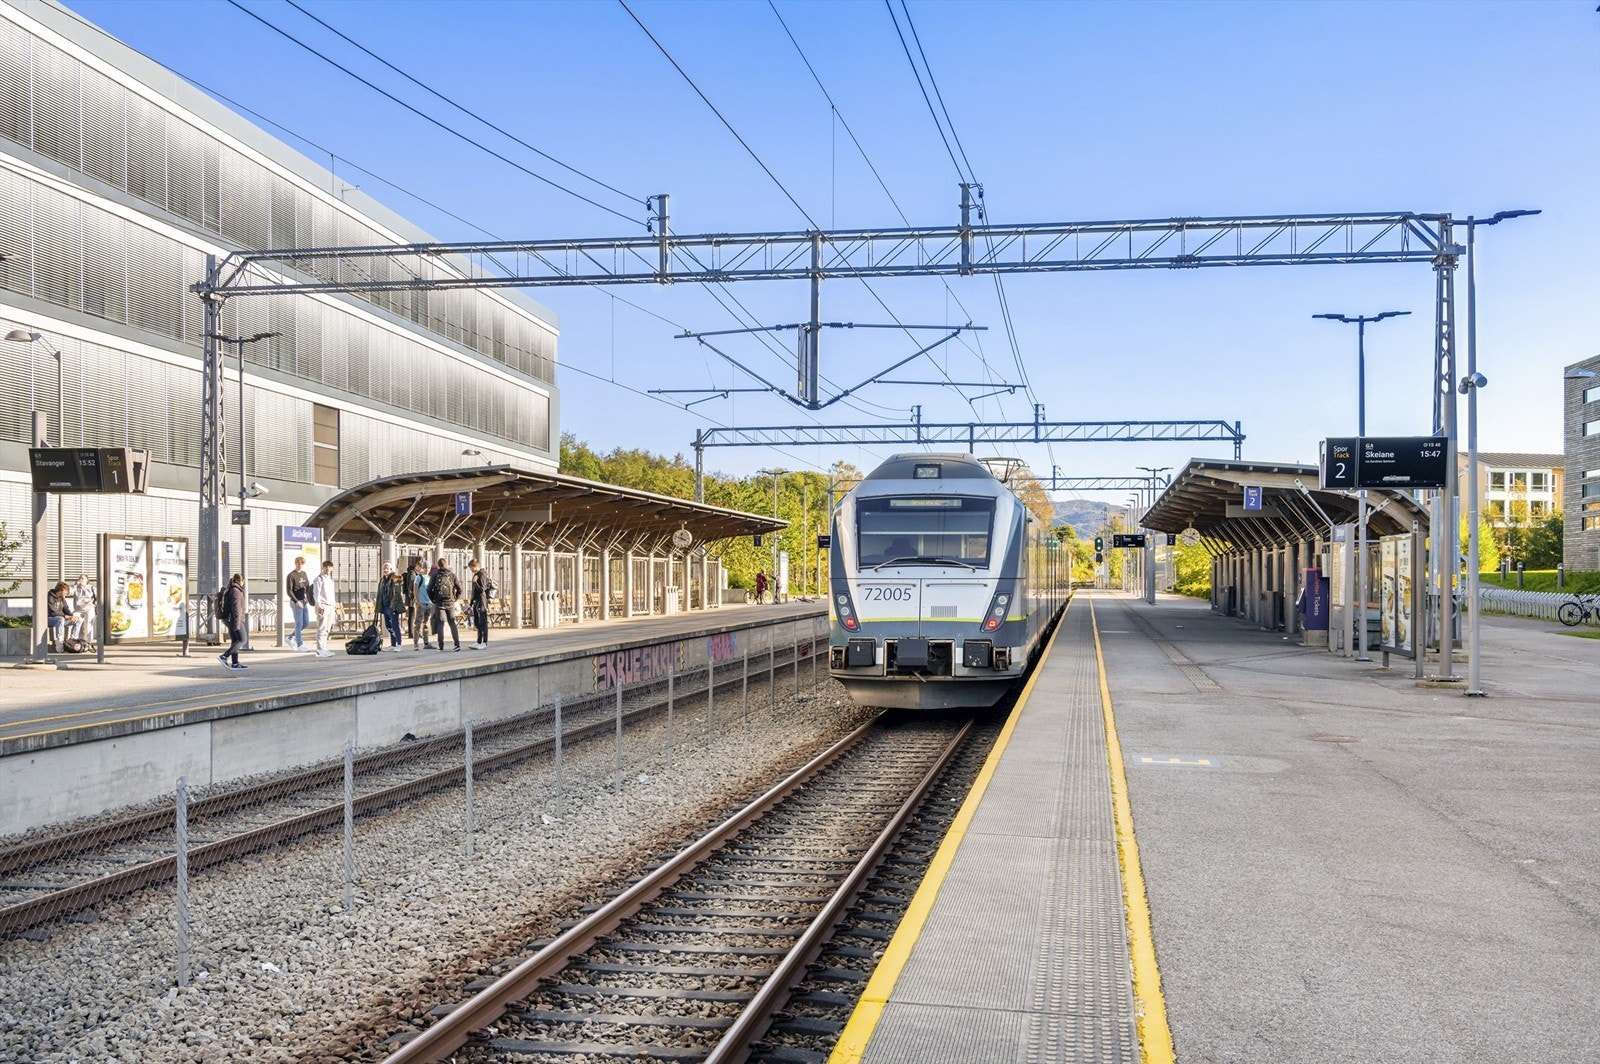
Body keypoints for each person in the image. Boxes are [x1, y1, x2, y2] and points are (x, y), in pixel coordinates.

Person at [428, 558, 462, 651]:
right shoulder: (452, 575)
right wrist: (455, 599)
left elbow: (429, 589)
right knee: (452, 622)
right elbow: (459, 589)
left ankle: (441, 646)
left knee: (440, 623)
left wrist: (433, 599)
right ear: (446, 565)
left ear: (438, 566)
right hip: (450, 602)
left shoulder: (435, 575)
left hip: (439, 602)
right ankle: (457, 644)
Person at [217, 574, 249, 670]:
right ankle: (224, 656)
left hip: (232, 619)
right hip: (236, 619)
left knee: (235, 641)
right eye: (243, 581)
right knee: (243, 640)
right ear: (241, 581)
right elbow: (236, 608)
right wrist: (237, 622)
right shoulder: (236, 591)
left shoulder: (232, 589)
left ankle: (235, 663)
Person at [311, 559, 338, 659]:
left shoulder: (330, 580)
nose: (327, 568)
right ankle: (319, 649)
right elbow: (316, 593)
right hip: (323, 605)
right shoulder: (319, 579)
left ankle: (324, 648)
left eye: (329, 566)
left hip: (330, 605)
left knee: (327, 628)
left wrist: (334, 606)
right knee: (321, 627)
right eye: (325, 566)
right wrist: (318, 605)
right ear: (323, 567)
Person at [286, 556, 311, 652]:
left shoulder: (304, 574)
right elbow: (289, 591)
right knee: (299, 623)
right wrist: (296, 601)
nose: (300, 565)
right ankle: (300, 645)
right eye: (298, 563)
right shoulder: (291, 575)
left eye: (302, 563)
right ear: (295, 563)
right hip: (296, 602)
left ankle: (290, 638)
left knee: (305, 623)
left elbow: (307, 586)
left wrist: (308, 598)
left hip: (303, 601)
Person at [378, 562, 406, 650]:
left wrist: (393, 606)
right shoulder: (382, 580)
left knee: (395, 625)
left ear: (391, 569)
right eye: (384, 568)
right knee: (388, 626)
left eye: (387, 568)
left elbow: (397, 593)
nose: (385, 570)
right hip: (385, 606)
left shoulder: (396, 578)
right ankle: (393, 644)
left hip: (392, 606)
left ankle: (399, 644)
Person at [467, 559, 493, 649]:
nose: (470, 569)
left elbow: (482, 589)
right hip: (476, 601)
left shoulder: (482, 574)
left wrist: (475, 582)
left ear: (475, 566)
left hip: (481, 601)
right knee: (477, 622)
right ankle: (479, 641)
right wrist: (471, 603)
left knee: (483, 622)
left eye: (471, 567)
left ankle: (484, 642)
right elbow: (474, 591)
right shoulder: (476, 575)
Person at [412, 560, 435, 650]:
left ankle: (426, 642)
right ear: (422, 568)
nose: (427, 570)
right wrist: (418, 602)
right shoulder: (419, 578)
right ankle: (416, 643)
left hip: (428, 603)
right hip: (421, 603)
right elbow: (415, 590)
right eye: (425, 568)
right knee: (417, 623)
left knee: (426, 624)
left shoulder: (429, 578)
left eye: (428, 568)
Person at [47, 581, 75, 653]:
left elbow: (66, 609)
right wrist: (65, 616)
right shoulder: (50, 597)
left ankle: (73, 640)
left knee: (78, 620)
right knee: (61, 619)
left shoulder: (61, 598)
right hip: (50, 619)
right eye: (66, 591)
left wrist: (72, 616)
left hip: (61, 619)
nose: (67, 592)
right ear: (60, 590)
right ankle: (59, 642)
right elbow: (52, 611)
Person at [70, 574, 97, 649]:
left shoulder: (91, 588)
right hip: (78, 610)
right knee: (76, 624)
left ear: (87, 580)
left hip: (89, 609)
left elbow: (98, 597)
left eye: (82, 578)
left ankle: (86, 644)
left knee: (87, 627)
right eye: (79, 578)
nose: (80, 579)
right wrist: (75, 584)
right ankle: (74, 643)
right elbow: (69, 592)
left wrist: (94, 604)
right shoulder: (76, 588)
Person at [402, 557, 419, 644]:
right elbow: (411, 586)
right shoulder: (412, 574)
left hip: (411, 597)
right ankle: (411, 632)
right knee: (412, 615)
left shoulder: (412, 573)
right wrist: (413, 597)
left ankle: (412, 632)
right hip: (412, 597)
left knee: (413, 614)